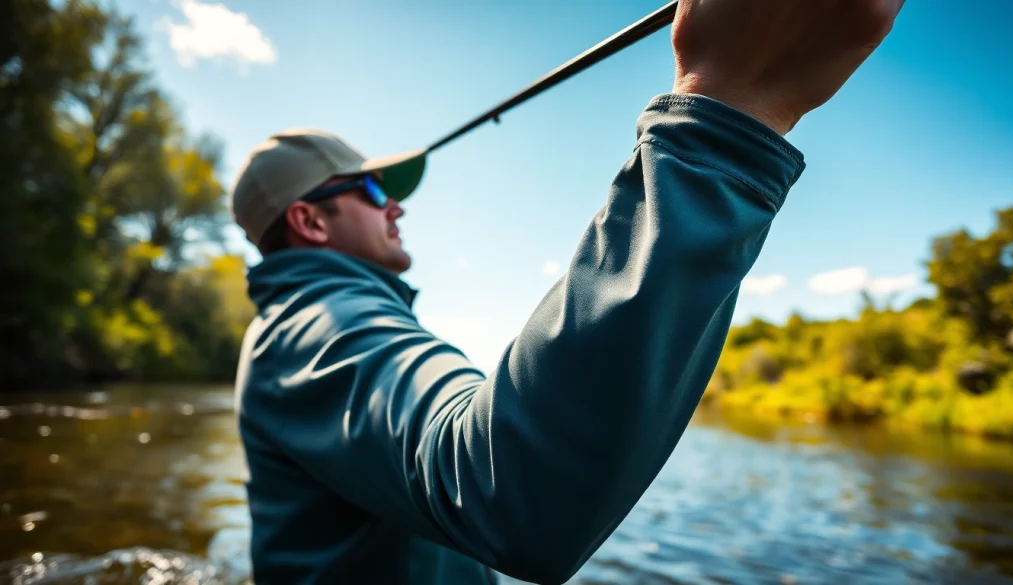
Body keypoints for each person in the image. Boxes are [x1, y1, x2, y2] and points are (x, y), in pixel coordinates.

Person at [229, 1, 906, 584]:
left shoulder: (298, 326)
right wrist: (727, 113)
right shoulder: (315, 323)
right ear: (309, 220)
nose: (394, 208)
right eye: (373, 192)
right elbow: (505, 489)